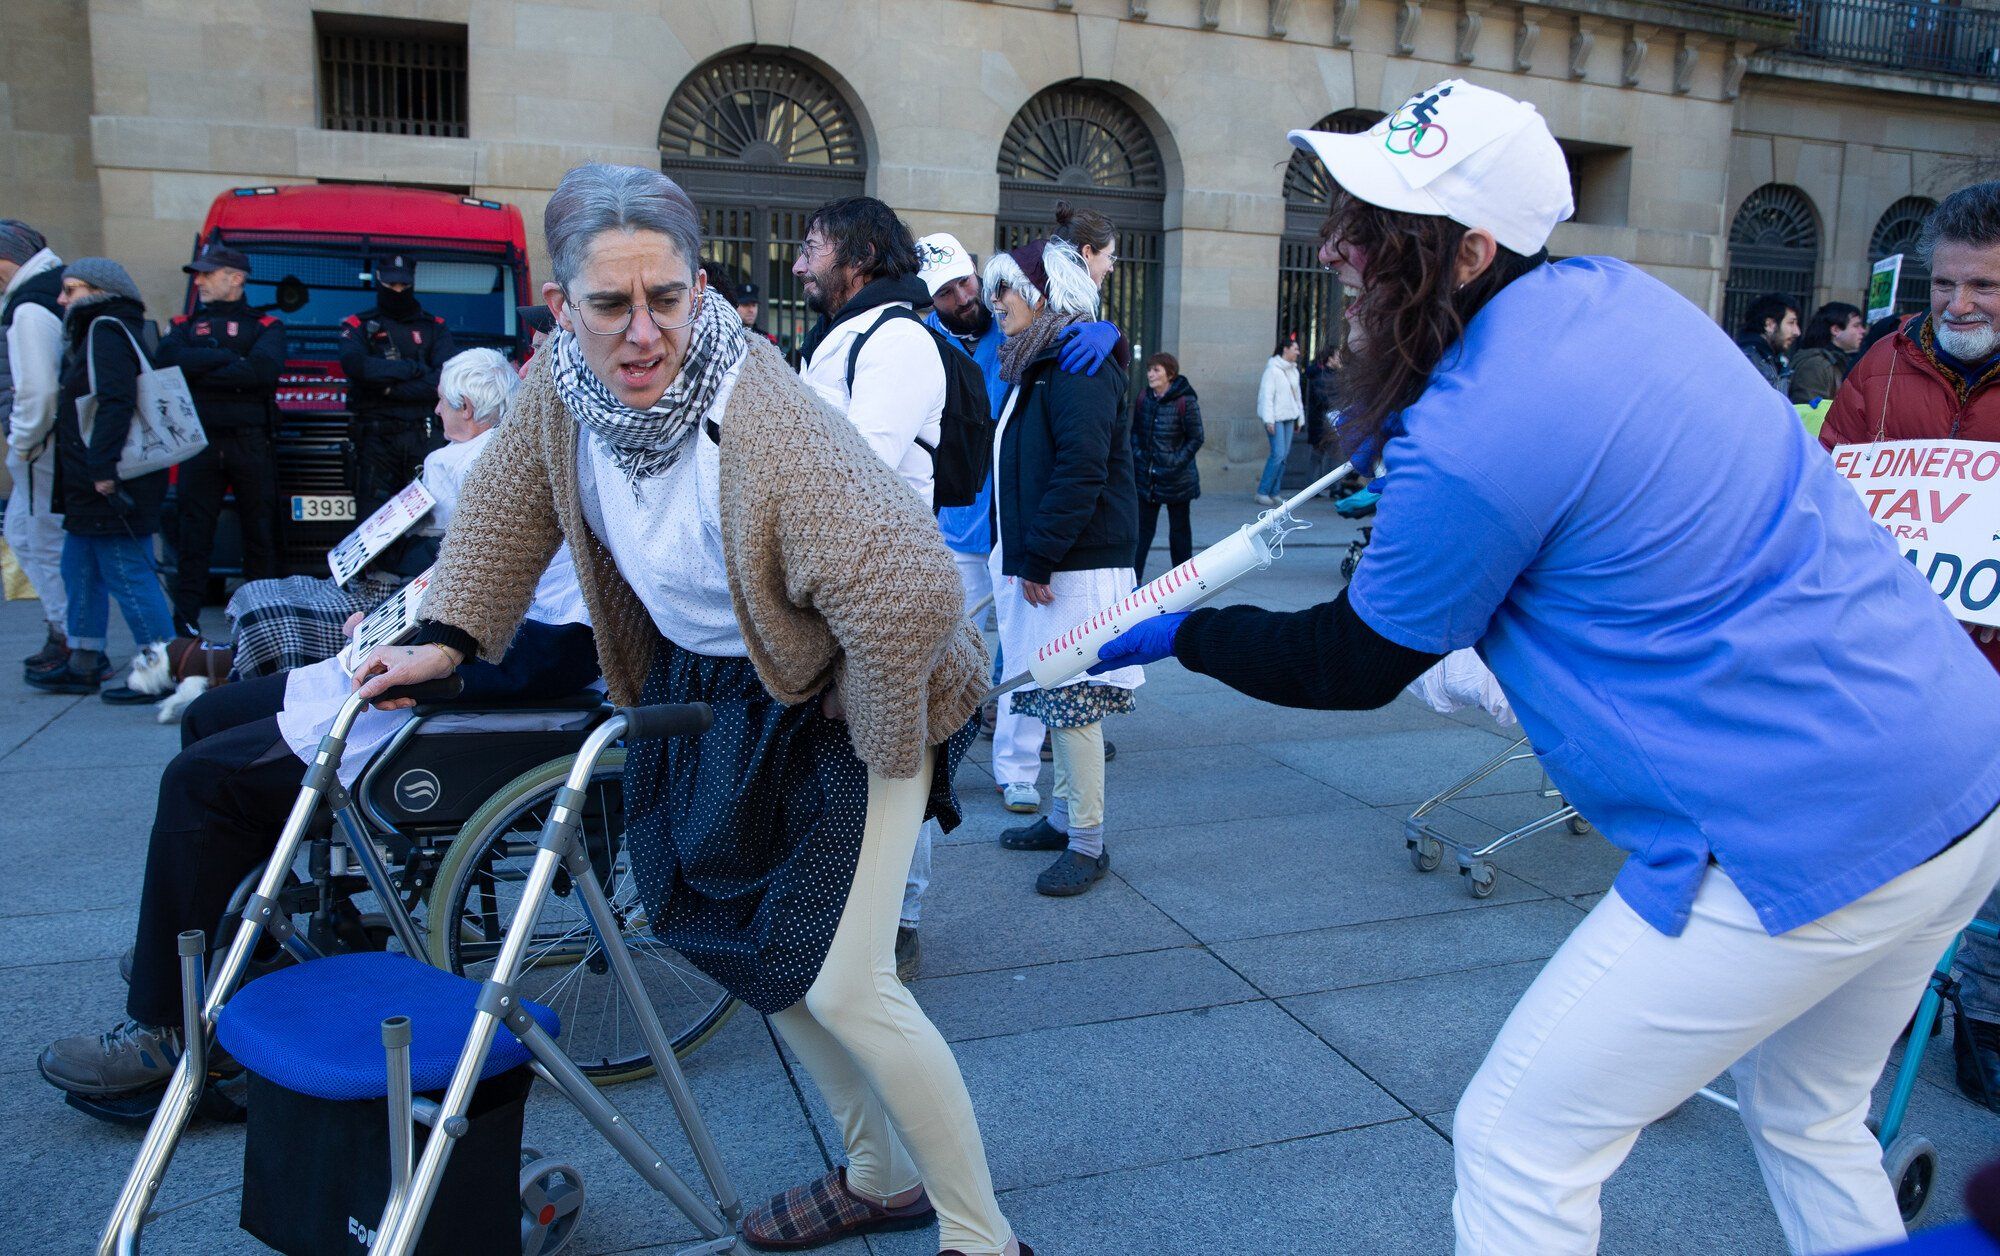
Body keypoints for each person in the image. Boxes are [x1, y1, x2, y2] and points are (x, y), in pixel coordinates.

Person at [1093, 80, 2000, 1255]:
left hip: (1800, 820)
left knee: (1520, 1140)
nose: (1337, 249)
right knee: (1809, 1108)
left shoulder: (1476, 426)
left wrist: (1190, 633)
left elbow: (1352, 658)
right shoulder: (1613, 293)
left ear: (1468, 250)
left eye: (1370, 227)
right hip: (1959, 767)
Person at [351, 163, 1029, 1256]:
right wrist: (445, 633)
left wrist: (886, 766)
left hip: (870, 686)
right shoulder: (564, 390)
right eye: (610, 304)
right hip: (730, 688)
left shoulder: (755, 411)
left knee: (849, 980)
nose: (641, 332)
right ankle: (877, 1172)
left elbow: (906, 592)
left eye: (665, 298)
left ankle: (980, 1234)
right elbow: (505, 509)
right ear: (562, 307)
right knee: (751, 942)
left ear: (698, 286)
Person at [36, 560, 595, 1098]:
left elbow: (558, 655)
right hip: (432, 661)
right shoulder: (542, 479)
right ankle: (227, 947)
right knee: (206, 716)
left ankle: (166, 1029)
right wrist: (396, 621)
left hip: (475, 703)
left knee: (202, 781)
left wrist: (431, 656)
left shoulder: (600, 501)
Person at [1818, 181, 2000, 1112]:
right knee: (1890, 851)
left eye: (1985, 289)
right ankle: (1875, 1008)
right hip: (1897, 662)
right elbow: (1835, 478)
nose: (1960, 306)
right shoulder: (1882, 365)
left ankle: (1988, 1026)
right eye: (1945, 286)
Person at [985, 237, 1142, 898]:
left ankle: (1088, 841)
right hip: (1057, 561)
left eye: (1005, 289)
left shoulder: (1074, 360)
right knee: (1055, 696)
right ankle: (1061, 819)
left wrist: (1040, 553)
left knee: (1074, 703)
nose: (996, 303)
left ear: (1043, 292)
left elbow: (1082, 469)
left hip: (1076, 565)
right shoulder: (1044, 357)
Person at [223, 348, 521, 681]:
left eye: (440, 401)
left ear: (465, 407)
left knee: (261, 612)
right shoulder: (478, 449)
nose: (435, 410)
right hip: (395, 578)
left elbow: (456, 556)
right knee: (256, 595)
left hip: (404, 591)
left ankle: (251, 689)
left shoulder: (476, 461)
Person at [26, 258, 179, 702]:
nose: (62, 299)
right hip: (90, 478)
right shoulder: (106, 327)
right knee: (79, 566)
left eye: (70, 290)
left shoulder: (104, 328)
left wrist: (102, 470)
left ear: (100, 291)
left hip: (108, 477)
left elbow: (116, 400)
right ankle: (85, 659)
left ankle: (162, 667)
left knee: (127, 570)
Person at [155, 243, 286, 637]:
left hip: (251, 443)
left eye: (207, 274)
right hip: (199, 445)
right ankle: (185, 630)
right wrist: (227, 358)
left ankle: (261, 626)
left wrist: (200, 363)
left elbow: (262, 372)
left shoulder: (265, 326)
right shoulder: (183, 325)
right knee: (193, 539)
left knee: (260, 537)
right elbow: (164, 362)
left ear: (235, 278)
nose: (199, 281)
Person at [338, 254, 457, 520]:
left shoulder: (434, 327)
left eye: (404, 286)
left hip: (422, 437)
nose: (398, 291)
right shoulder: (358, 325)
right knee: (373, 518)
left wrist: (388, 389)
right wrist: (414, 369)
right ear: (379, 280)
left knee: (429, 518)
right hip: (376, 440)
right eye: (392, 286)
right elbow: (357, 367)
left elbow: (444, 380)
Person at [1, 221, 69, 677]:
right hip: (44, 442)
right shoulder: (40, 294)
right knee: (25, 533)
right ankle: (62, 629)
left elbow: (40, 391)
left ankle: (69, 638)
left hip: (41, 445)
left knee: (41, 539)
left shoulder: (29, 307)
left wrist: (22, 441)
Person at [1130, 350, 1203, 580]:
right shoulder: (1144, 398)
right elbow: (1135, 434)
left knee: (1179, 532)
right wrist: (1140, 457)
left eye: (1156, 370)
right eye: (1149, 369)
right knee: (1142, 531)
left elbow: (1196, 437)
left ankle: (1183, 584)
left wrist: (1174, 462)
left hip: (1177, 478)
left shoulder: (1185, 400)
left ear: (1169, 374)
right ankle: (1132, 581)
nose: (1150, 374)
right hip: (1148, 477)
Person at [1255, 334, 1304, 505]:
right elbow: (1266, 396)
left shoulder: (1293, 371)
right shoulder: (1272, 370)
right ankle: (1262, 491)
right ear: (1286, 349)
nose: (1298, 352)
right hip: (1275, 417)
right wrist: (1268, 420)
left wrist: (1300, 418)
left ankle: (1274, 492)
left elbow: (1297, 397)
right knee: (1277, 454)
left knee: (1284, 456)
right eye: (1295, 349)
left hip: (1289, 417)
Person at [1787, 300, 1865, 405]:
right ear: (1835, 330)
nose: (1862, 331)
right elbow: (1812, 412)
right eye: (1856, 326)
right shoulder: (1815, 365)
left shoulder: (1839, 361)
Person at [1736, 292, 1799, 393]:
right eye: (1791, 323)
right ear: (1769, 324)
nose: (1797, 332)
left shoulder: (1775, 361)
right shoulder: (1748, 360)